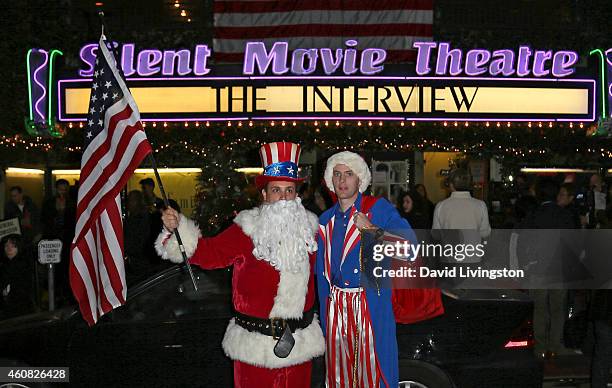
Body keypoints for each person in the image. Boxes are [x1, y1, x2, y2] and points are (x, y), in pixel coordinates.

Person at [156, 142, 324, 388]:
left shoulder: (311, 231)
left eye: (289, 191)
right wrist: (177, 228)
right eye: (276, 190)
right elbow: (207, 253)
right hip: (255, 350)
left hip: (300, 346)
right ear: (264, 195)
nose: (284, 198)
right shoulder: (246, 229)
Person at [316, 151, 415, 387]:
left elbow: (410, 249)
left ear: (360, 179)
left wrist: (372, 230)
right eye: (337, 174)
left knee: (373, 375)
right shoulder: (324, 220)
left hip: (369, 307)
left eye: (349, 174)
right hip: (334, 311)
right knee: (339, 377)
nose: (342, 181)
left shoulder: (378, 209)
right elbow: (319, 273)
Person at [431, 168, 491, 265]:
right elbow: (485, 233)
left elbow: (436, 235)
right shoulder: (480, 205)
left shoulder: (441, 206)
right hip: (473, 257)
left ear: (451, 185)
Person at [0, 235, 35, 319]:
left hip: (20, 311)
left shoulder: (22, 265)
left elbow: (21, 291)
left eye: (13, 246)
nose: (9, 249)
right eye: (6, 246)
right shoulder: (5, 265)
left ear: (19, 247)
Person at [123, 190, 152, 285]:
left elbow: (141, 241)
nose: (128, 203)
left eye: (131, 200)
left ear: (138, 201)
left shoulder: (142, 218)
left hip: (141, 263)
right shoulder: (132, 218)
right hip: (135, 262)